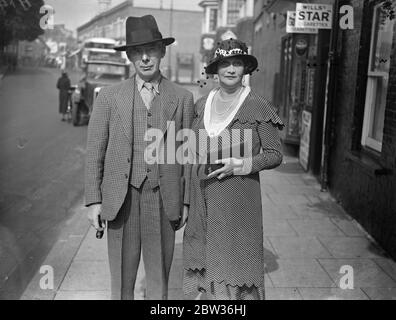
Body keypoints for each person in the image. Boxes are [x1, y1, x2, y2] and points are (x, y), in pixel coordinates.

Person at [85, 15, 194, 300]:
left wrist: (185, 201)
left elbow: (188, 156)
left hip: (163, 198)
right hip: (121, 199)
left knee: (159, 279)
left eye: (151, 50)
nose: (145, 58)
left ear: (162, 51)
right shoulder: (109, 97)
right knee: (122, 280)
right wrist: (93, 200)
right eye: (137, 52)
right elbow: (95, 150)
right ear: (130, 56)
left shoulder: (182, 98)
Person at [183, 39, 284, 300]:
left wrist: (243, 164)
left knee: (234, 270)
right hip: (202, 198)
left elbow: (275, 154)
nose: (230, 69)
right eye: (224, 63)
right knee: (204, 264)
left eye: (236, 63)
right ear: (215, 69)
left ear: (245, 69)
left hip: (238, 199)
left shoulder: (258, 105)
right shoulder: (202, 104)